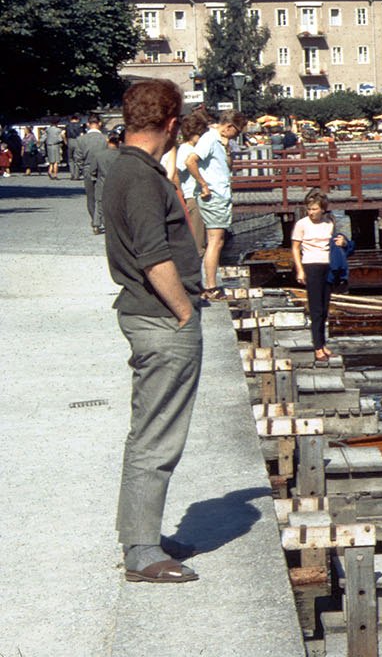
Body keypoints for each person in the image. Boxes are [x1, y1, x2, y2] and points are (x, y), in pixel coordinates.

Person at [99, 78, 203, 584]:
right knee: (157, 436)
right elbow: (152, 254)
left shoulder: (125, 168)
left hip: (148, 315)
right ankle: (141, 549)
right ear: (170, 123)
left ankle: (144, 535)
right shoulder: (140, 177)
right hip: (161, 318)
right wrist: (185, 312)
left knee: (151, 429)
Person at [187, 110, 246, 299]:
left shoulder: (220, 141)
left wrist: (227, 148)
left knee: (215, 241)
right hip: (214, 197)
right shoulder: (210, 139)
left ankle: (207, 285)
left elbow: (227, 167)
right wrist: (203, 184)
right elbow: (191, 161)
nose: (237, 136)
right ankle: (211, 287)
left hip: (220, 195)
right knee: (215, 241)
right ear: (229, 127)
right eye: (236, 133)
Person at [291, 190, 349, 362]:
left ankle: (323, 344)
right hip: (311, 266)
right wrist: (300, 270)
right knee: (315, 309)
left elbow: (336, 243)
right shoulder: (302, 224)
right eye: (309, 209)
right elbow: (295, 248)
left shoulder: (329, 223)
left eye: (315, 209)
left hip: (327, 266)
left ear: (323, 209)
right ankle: (317, 347)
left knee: (324, 307)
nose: (311, 212)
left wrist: (343, 243)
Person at [174, 108, 213, 255]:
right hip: (191, 197)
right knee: (198, 240)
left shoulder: (191, 148)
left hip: (194, 196)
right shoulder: (186, 149)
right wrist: (181, 195)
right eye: (200, 134)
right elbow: (174, 174)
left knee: (200, 236)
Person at [73, 113, 109, 233]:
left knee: (91, 198)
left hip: (88, 170)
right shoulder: (105, 139)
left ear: (88, 124)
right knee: (103, 196)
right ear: (100, 124)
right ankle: (101, 219)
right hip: (103, 170)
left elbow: (78, 157)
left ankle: (95, 222)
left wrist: (81, 170)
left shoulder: (81, 140)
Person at [65, 112, 84, 179]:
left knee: (70, 159)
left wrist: (66, 141)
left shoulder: (67, 126)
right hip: (77, 141)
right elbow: (81, 134)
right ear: (77, 119)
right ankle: (77, 175)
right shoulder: (79, 126)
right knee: (77, 158)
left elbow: (63, 134)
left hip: (70, 140)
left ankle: (72, 174)